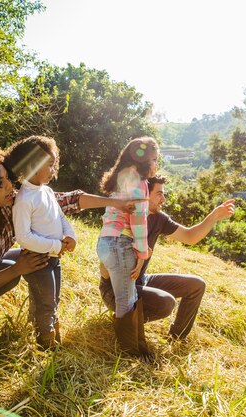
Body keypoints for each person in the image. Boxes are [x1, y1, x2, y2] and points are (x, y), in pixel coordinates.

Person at [0, 141, 142, 340]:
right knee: (13, 273)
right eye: (0, 184)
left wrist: (115, 202)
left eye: (8, 179)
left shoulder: (11, 203)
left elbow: (65, 201)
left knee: (33, 259)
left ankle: (40, 317)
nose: (10, 187)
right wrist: (15, 270)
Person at [99, 175, 235, 342]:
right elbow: (106, 264)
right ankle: (124, 323)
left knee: (197, 285)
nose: (163, 199)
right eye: (159, 194)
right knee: (165, 303)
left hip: (141, 281)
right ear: (144, 193)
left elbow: (189, 236)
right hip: (115, 290)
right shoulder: (122, 217)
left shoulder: (159, 218)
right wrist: (135, 253)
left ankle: (177, 338)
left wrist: (213, 216)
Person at [6, 136, 75, 349]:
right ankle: (46, 344)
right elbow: (23, 237)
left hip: (54, 258)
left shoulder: (47, 192)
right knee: (46, 302)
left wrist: (70, 235)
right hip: (37, 260)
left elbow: (60, 216)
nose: (54, 170)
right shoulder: (25, 200)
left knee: (53, 299)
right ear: (33, 166)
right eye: (50, 165)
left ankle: (48, 334)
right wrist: (55, 246)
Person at [96, 137, 159, 359]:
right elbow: (139, 222)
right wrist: (142, 255)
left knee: (127, 296)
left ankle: (137, 347)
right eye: (154, 159)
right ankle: (128, 354)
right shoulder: (139, 183)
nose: (156, 165)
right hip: (121, 244)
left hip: (105, 242)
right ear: (143, 161)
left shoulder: (121, 178)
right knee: (126, 299)